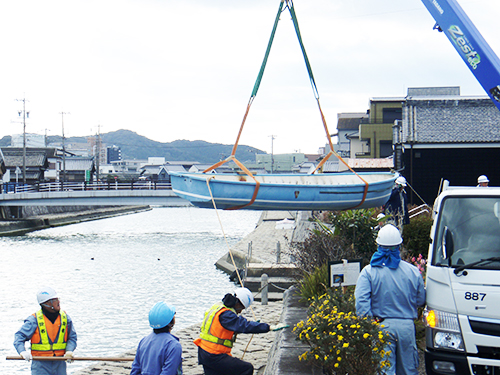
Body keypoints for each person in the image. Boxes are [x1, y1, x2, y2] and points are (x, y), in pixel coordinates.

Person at [355, 224, 426, 375]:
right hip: (406, 326)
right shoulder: (413, 271)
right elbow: (421, 300)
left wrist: (368, 326)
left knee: (384, 370)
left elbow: (361, 305)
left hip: (381, 326)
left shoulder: (368, 272)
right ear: (399, 246)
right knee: (409, 370)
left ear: (378, 245)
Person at [194, 287, 286, 375]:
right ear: (238, 303)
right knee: (246, 368)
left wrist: (254, 325)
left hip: (204, 352)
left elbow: (222, 328)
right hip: (215, 355)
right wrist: (268, 327)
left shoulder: (218, 307)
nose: (240, 312)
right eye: (241, 308)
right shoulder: (226, 315)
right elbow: (244, 325)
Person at [14, 287, 77, 375]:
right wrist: (22, 351)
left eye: (58, 299)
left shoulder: (65, 318)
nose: (58, 302)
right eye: (55, 300)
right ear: (46, 303)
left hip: (59, 363)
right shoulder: (34, 320)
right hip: (40, 364)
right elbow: (19, 337)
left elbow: (72, 337)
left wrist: (69, 351)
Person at [130, 301, 182, 375]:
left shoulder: (144, 341)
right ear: (171, 322)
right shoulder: (174, 345)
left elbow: (135, 370)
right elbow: (169, 372)